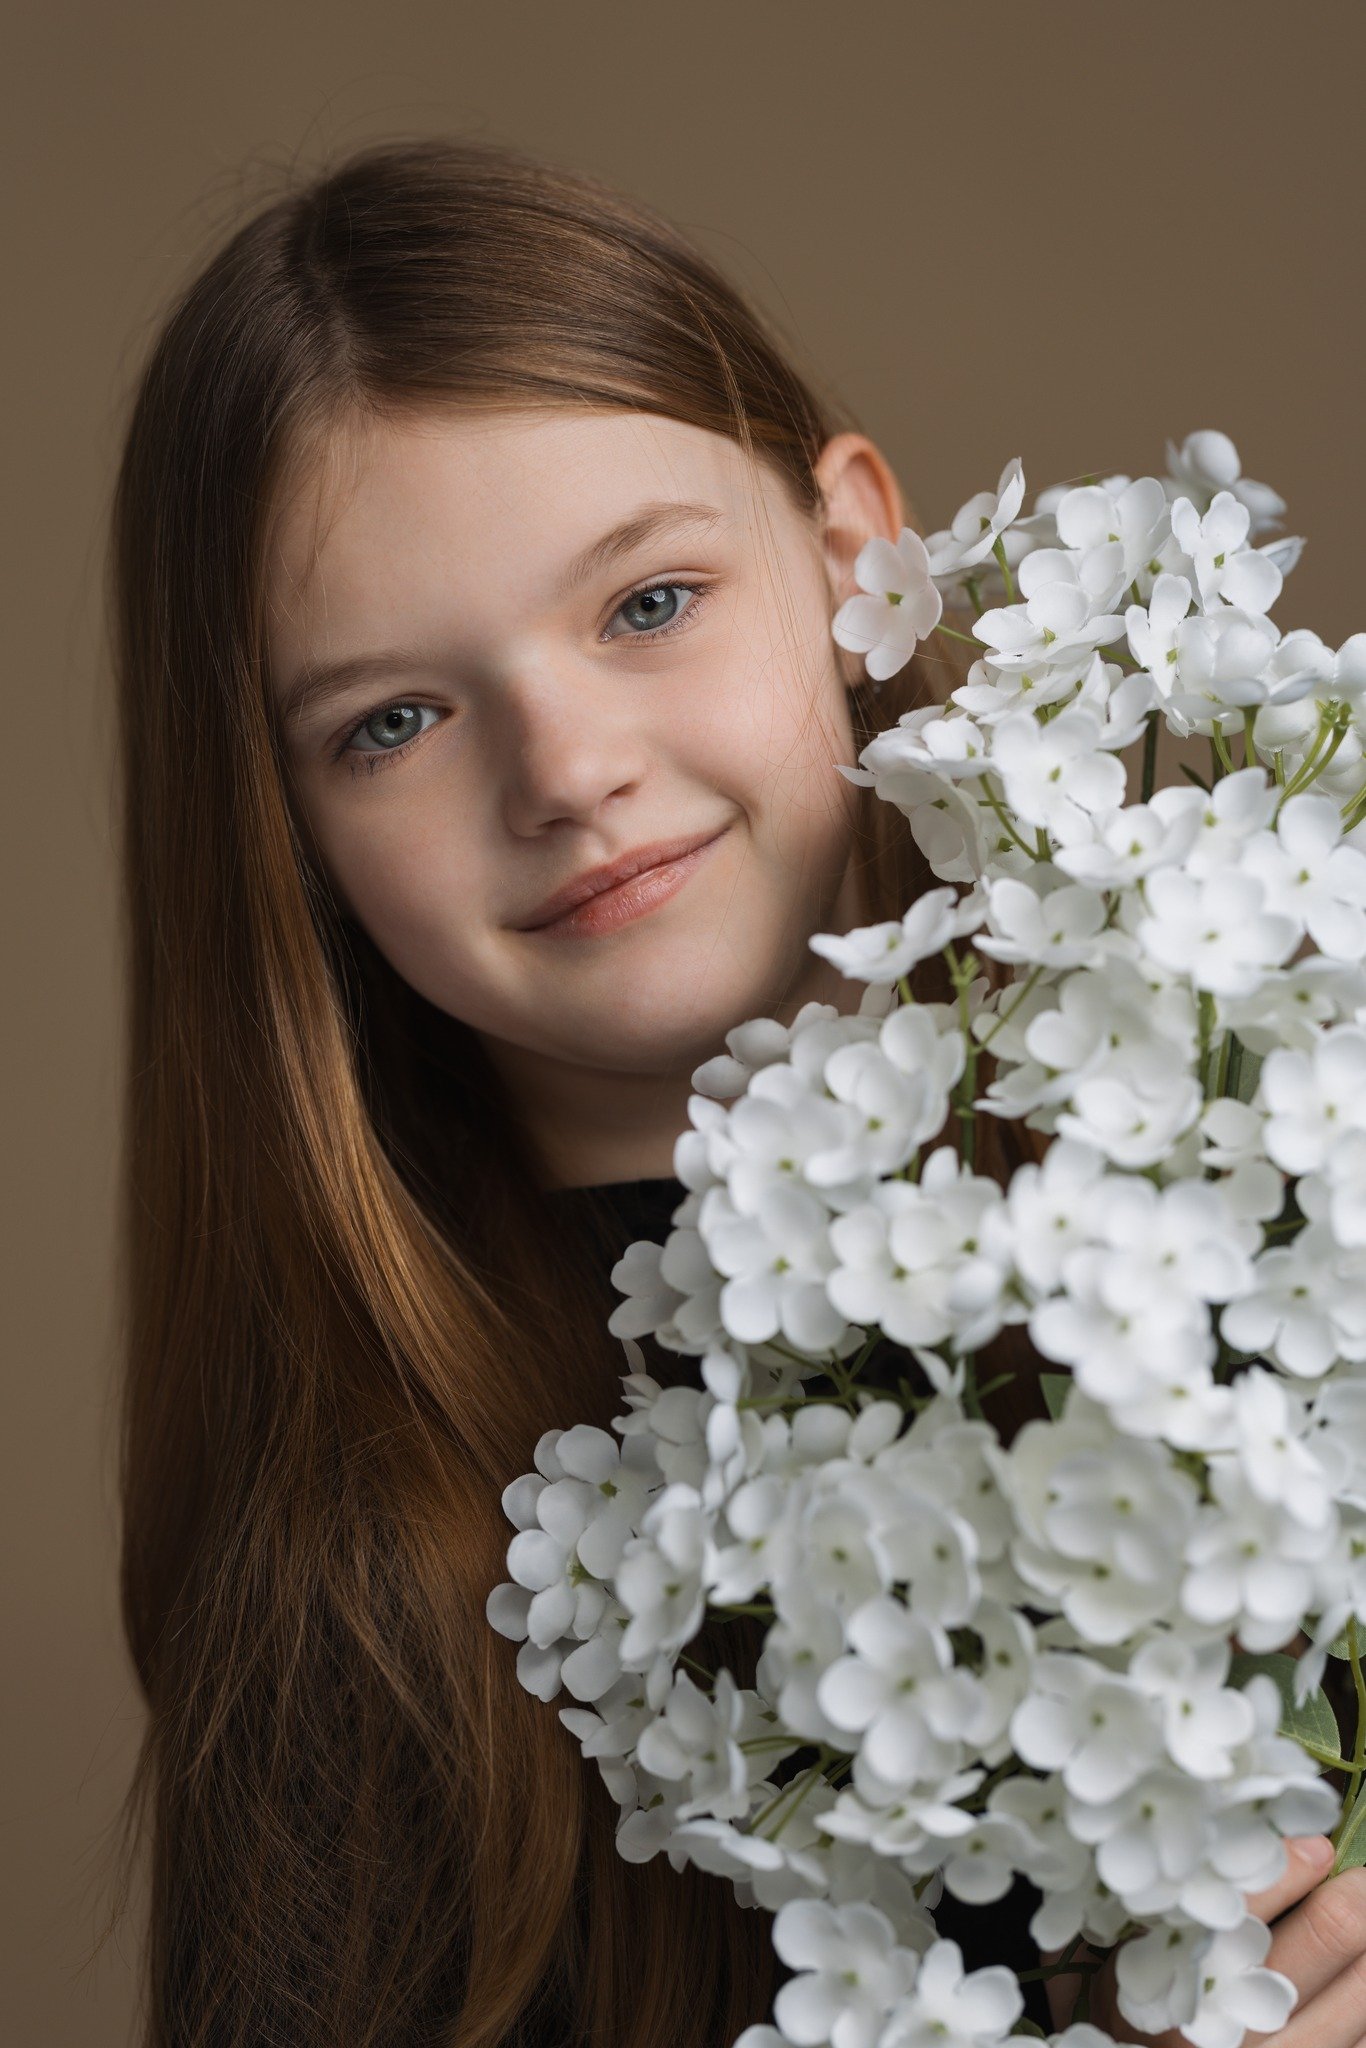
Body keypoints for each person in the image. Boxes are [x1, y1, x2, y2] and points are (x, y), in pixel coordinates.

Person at [105, 135, 1366, 2048]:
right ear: (280, 830)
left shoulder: (1280, 1120)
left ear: (857, 552)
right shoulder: (355, 1593)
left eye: (645, 604)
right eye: (391, 721)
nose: (564, 767)